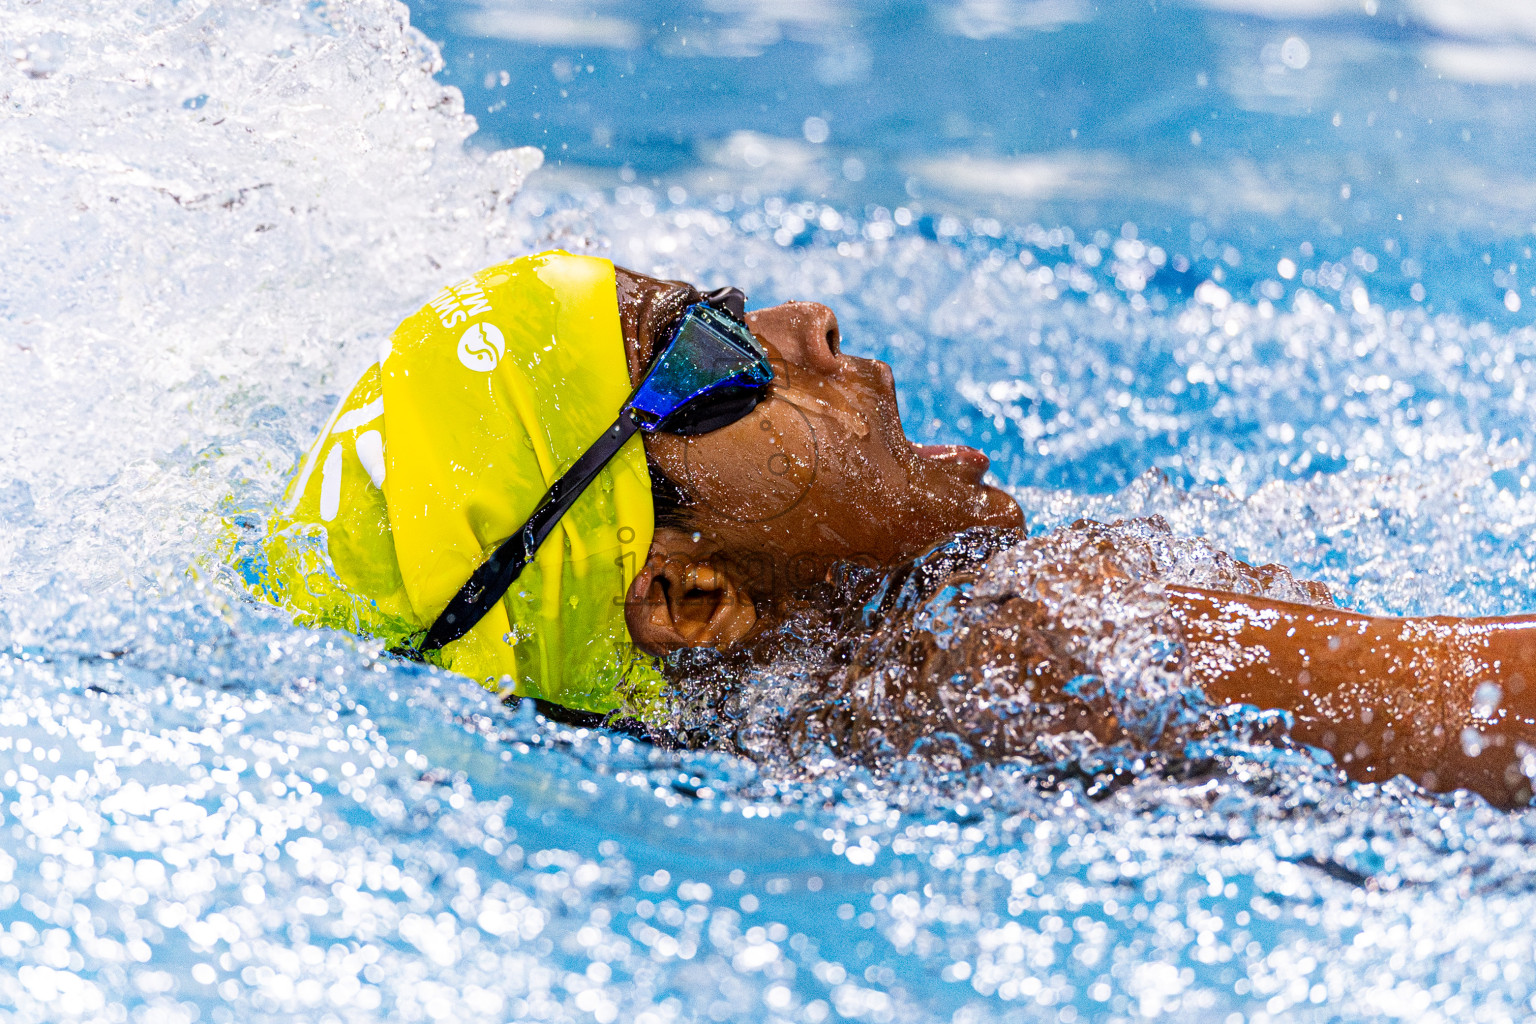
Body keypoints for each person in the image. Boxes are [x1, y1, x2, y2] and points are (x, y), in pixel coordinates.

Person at [250, 250, 1536, 808]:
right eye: (708, 356)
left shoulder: (828, 737)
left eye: (725, 300)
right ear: (690, 600)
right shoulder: (1028, 646)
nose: (806, 323)